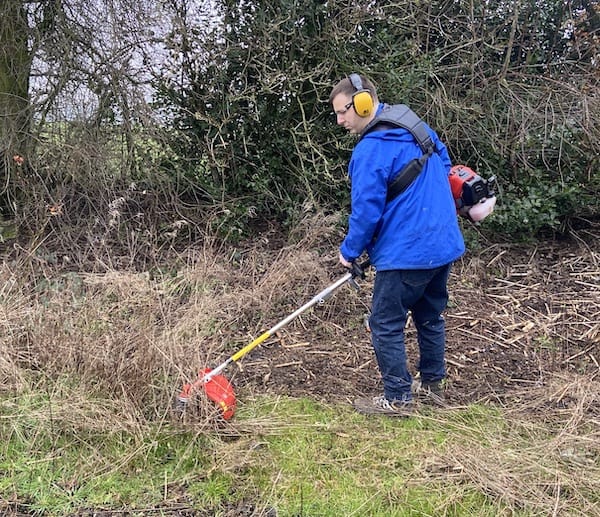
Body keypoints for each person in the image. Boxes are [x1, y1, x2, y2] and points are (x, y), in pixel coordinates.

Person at [329, 73, 465, 416]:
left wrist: (348, 252)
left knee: (385, 323)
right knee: (430, 316)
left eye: (343, 112)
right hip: (443, 244)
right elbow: (447, 166)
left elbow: (365, 213)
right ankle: (433, 385)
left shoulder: (370, 150)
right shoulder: (416, 125)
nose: (340, 121)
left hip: (406, 254)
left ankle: (398, 398)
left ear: (362, 103)